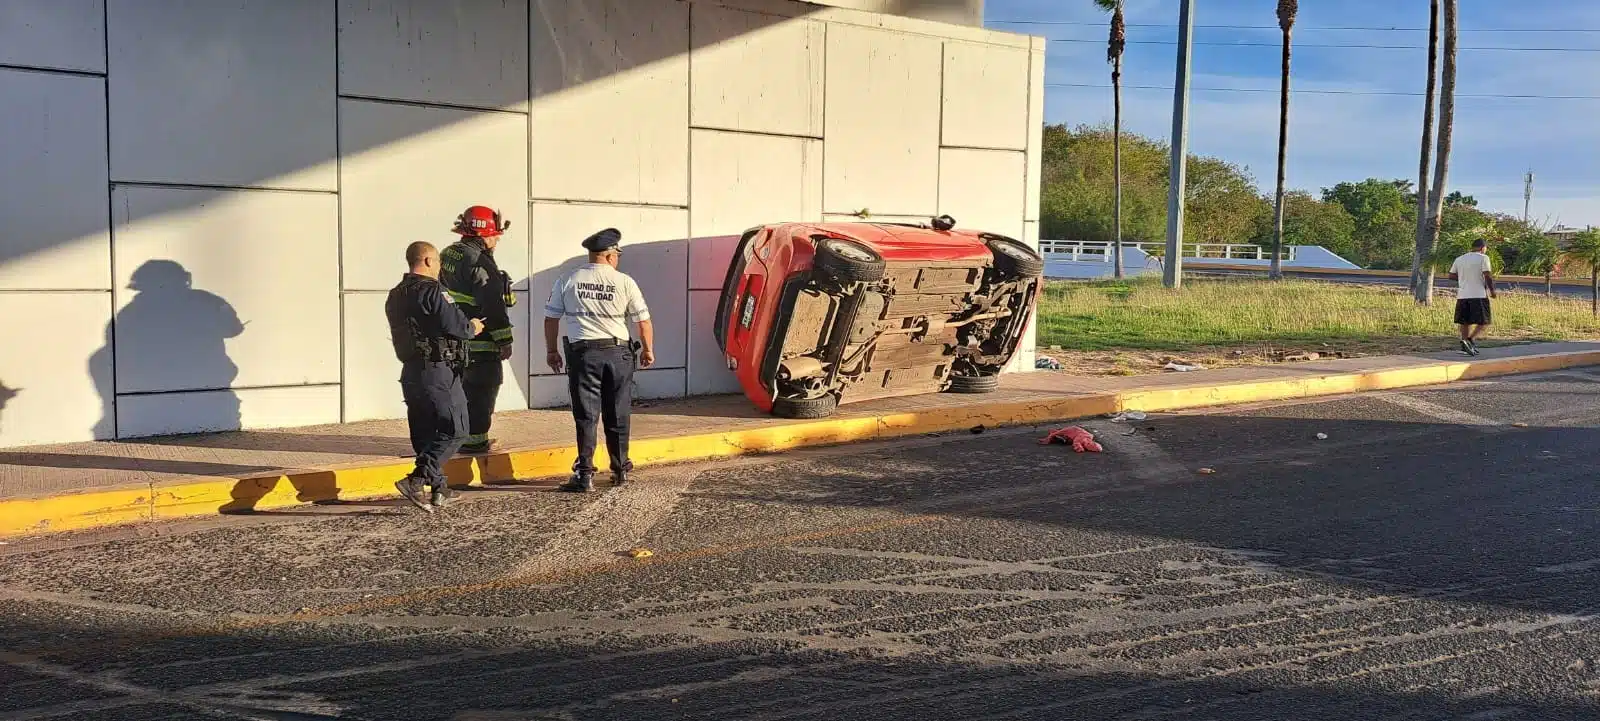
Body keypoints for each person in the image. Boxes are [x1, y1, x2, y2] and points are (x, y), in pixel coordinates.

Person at [543, 228, 655, 493]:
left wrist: (551, 351)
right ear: (610, 255)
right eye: (617, 254)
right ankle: (620, 471)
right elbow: (643, 321)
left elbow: (551, 318)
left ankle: (585, 475)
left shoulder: (567, 279)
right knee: (618, 412)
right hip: (618, 354)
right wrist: (648, 350)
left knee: (586, 415)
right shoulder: (624, 281)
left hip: (584, 355)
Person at [386, 241, 485, 512]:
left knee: (425, 433)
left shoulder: (395, 294)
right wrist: (473, 326)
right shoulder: (434, 292)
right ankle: (416, 481)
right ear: (428, 261)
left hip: (411, 371)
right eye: (438, 262)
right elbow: (458, 327)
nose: (440, 267)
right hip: (438, 371)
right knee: (456, 429)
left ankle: (440, 489)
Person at [439, 205, 516, 454]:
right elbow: (492, 305)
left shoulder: (449, 253)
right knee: (482, 389)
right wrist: (504, 339)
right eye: (495, 235)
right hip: (480, 341)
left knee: (457, 391)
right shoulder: (480, 262)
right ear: (482, 235)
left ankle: (456, 437)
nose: (498, 239)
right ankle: (475, 442)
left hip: (453, 338)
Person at [1449, 237, 1497, 356]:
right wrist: (1492, 291)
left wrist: (1463, 279)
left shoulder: (1460, 259)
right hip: (1479, 294)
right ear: (1483, 248)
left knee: (1465, 322)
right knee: (1484, 321)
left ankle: (1465, 344)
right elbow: (1487, 275)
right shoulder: (1483, 258)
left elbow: (1451, 275)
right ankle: (1470, 340)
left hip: (1463, 295)